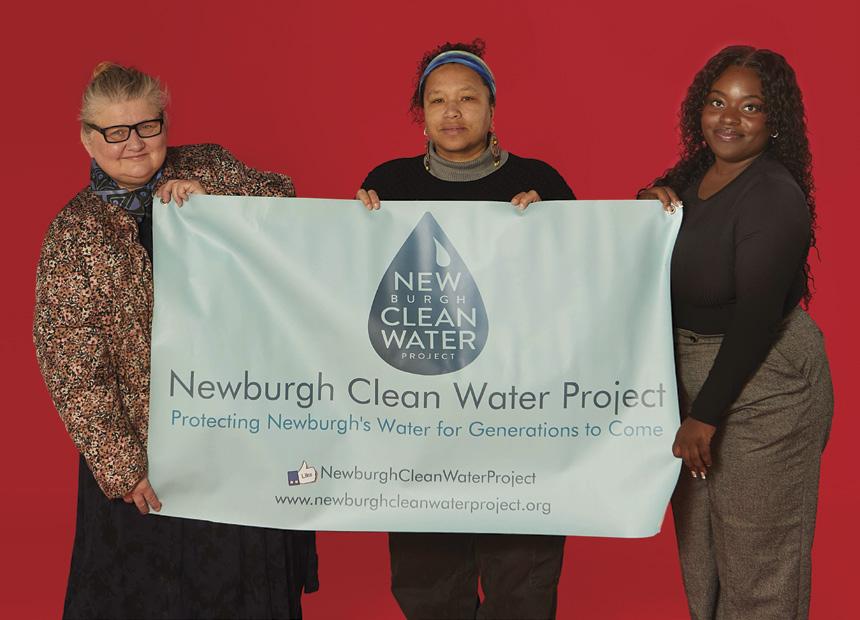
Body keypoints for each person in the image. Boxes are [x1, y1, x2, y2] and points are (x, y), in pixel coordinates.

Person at [33, 62, 318, 619]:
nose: (134, 143)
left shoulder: (207, 164)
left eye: (148, 126)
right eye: (116, 131)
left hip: (239, 432)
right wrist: (122, 465)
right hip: (146, 453)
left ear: (165, 123)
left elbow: (286, 203)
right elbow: (70, 364)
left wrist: (217, 204)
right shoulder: (74, 232)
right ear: (88, 139)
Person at [357, 40, 574, 620]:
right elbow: (360, 292)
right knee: (429, 587)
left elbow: (580, 288)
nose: (452, 112)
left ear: (492, 108)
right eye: (437, 100)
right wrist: (356, 228)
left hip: (516, 417)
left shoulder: (539, 182)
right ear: (422, 113)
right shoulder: (387, 186)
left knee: (522, 584)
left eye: (467, 99)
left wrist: (554, 226)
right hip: (420, 424)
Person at [638, 46, 833, 619]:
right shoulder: (695, 175)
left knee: (759, 568)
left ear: (775, 121)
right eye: (718, 102)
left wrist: (704, 416)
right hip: (690, 373)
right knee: (703, 564)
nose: (729, 118)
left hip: (764, 381)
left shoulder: (772, 194)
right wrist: (648, 204)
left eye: (750, 107)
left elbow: (756, 317)